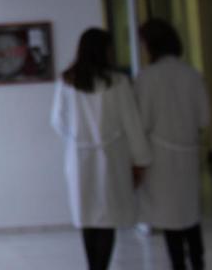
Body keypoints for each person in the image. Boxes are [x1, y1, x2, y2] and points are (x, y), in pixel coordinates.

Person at [52, 28, 152, 270]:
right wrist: (140, 160)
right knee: (108, 217)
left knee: (87, 216)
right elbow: (132, 124)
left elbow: (57, 121)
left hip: (79, 158)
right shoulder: (117, 82)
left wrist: (77, 136)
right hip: (112, 157)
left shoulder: (68, 80)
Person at [136, 19, 210, 270]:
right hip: (187, 153)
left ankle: (178, 264)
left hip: (160, 157)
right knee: (190, 212)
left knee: (169, 217)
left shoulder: (146, 78)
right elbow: (204, 117)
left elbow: (142, 122)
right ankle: (198, 262)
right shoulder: (191, 74)